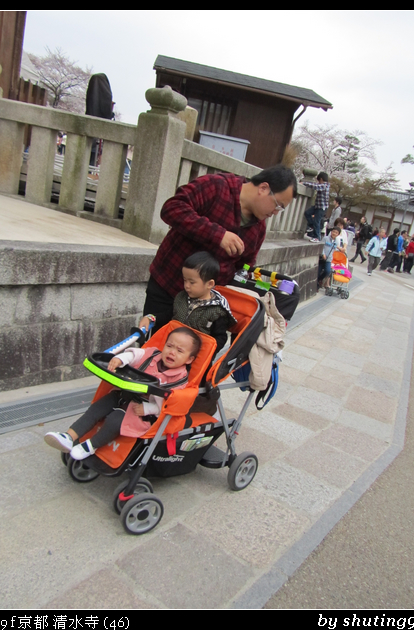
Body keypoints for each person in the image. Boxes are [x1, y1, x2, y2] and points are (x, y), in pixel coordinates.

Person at [142, 165, 297, 332]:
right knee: (153, 350)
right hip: (168, 285)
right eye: (278, 205)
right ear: (263, 188)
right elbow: (172, 208)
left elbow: (243, 267)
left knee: (194, 355)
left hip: (204, 307)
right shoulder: (217, 186)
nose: (275, 212)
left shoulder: (258, 229)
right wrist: (218, 235)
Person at [44, 327, 202, 460]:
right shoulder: (153, 354)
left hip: (143, 410)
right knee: (97, 408)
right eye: (169, 346)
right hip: (124, 394)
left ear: (189, 359)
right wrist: (120, 359)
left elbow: (170, 405)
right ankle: (69, 436)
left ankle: (90, 446)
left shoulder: (179, 381)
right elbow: (136, 355)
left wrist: (148, 409)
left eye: (179, 350)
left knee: (115, 420)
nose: (172, 352)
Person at [302, 171, 330, 243]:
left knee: (317, 221)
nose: (318, 182)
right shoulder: (324, 185)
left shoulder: (325, 185)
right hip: (317, 206)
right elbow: (315, 184)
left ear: (321, 179)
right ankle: (311, 226)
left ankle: (317, 237)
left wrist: (304, 183)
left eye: (319, 181)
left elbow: (316, 186)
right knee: (307, 213)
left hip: (321, 208)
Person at [318, 225, 341, 290]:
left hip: (329, 259)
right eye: (333, 231)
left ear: (338, 234)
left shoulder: (336, 241)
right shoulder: (325, 238)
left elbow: (334, 249)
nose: (334, 233)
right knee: (318, 270)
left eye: (336, 233)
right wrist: (323, 254)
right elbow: (321, 246)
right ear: (331, 232)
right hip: (322, 258)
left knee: (327, 271)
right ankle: (317, 284)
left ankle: (320, 279)